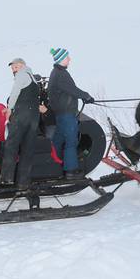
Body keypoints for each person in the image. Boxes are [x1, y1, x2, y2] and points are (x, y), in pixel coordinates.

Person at [47, 48, 94, 180]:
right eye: (67, 57)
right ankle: (71, 171)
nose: (69, 59)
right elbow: (72, 89)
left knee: (58, 139)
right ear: (61, 60)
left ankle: (53, 166)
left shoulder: (56, 72)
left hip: (60, 113)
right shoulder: (61, 74)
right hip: (66, 114)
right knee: (71, 141)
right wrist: (86, 96)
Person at [0, 57, 46, 189]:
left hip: (22, 116)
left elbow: (14, 93)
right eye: (12, 68)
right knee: (28, 148)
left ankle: (7, 178)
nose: (13, 70)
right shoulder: (33, 79)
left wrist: (9, 108)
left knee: (11, 145)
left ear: (22, 65)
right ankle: (23, 181)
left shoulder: (21, 75)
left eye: (15, 67)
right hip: (33, 117)